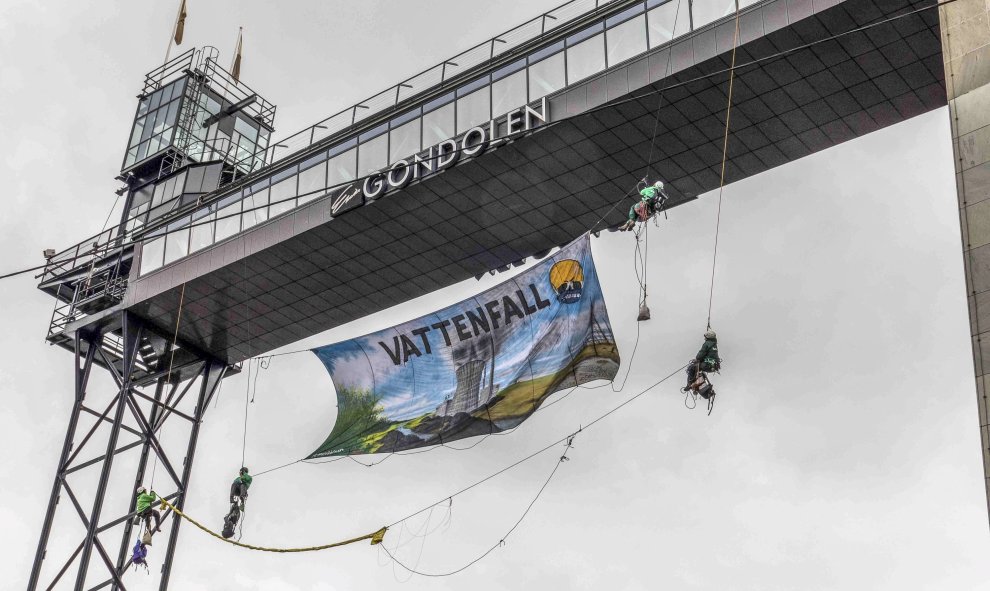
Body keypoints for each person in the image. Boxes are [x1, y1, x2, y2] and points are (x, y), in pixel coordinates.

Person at [683, 330, 720, 397]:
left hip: (707, 365)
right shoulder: (714, 344)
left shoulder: (707, 343)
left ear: (708, 337)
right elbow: (709, 355)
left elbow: (700, 355)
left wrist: (697, 359)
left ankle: (689, 384)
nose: (704, 338)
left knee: (691, 368)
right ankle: (705, 392)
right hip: (714, 366)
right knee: (699, 373)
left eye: (705, 337)